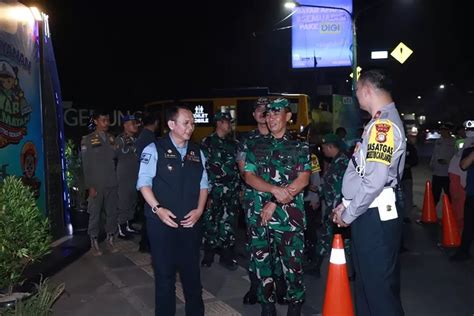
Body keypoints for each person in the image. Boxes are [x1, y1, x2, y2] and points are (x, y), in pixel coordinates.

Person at [332, 69, 406, 315]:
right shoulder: (379, 121)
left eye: (356, 91)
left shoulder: (382, 126)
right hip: (370, 212)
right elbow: (367, 174)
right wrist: (347, 203)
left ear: (366, 90)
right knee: (367, 289)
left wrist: (349, 213)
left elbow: (375, 183)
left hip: (374, 218)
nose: (356, 97)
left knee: (379, 293)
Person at [137, 105, 208, 316]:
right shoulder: (153, 149)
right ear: (171, 124)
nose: (191, 127)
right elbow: (143, 184)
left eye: (193, 123)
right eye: (186, 122)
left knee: (192, 276)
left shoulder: (198, 152)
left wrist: (199, 211)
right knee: (165, 276)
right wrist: (158, 209)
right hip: (161, 225)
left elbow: (204, 186)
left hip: (190, 223)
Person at [243, 98, 310, 316]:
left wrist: (274, 201)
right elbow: (249, 177)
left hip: (288, 218)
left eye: (276, 113)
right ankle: (267, 305)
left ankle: (295, 304)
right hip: (259, 217)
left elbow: (303, 180)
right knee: (263, 263)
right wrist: (274, 189)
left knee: (292, 265)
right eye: (268, 114)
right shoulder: (256, 146)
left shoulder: (299, 146)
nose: (271, 118)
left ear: (288, 117)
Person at [236, 97, 286, 306]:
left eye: (267, 110)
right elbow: (243, 169)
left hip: (281, 201)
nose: (263, 113)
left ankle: (280, 286)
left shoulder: (282, 138)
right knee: (257, 246)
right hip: (255, 200)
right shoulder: (247, 140)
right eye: (259, 110)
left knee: (279, 246)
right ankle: (257, 286)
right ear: (254, 114)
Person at [200, 111, 240, 270]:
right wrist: (205, 193)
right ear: (218, 123)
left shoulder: (234, 144)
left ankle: (227, 257)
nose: (229, 125)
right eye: (226, 122)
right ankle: (208, 256)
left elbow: (239, 168)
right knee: (210, 222)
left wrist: (240, 189)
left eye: (230, 122)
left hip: (231, 192)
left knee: (229, 223)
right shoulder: (207, 142)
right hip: (213, 191)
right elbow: (202, 169)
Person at [310, 133, 350, 278]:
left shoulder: (341, 162)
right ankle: (316, 266)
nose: (323, 151)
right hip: (334, 206)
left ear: (330, 147)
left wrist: (315, 189)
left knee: (341, 239)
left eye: (324, 148)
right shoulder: (338, 160)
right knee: (329, 237)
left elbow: (336, 187)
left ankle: (352, 270)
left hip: (337, 208)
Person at [81, 109, 119, 256]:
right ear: (96, 121)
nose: (106, 123)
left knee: (112, 213)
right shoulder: (87, 140)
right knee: (95, 214)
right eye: (103, 120)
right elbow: (86, 164)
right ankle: (94, 243)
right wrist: (89, 186)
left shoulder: (111, 138)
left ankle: (110, 240)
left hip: (112, 181)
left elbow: (115, 157)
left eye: (108, 120)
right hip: (96, 183)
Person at [135, 111, 159, 252]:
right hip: (147, 181)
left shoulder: (142, 135)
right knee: (150, 214)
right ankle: (146, 244)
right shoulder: (149, 138)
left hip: (142, 178)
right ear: (155, 122)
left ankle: (145, 244)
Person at [115, 114, 140, 239]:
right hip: (124, 176)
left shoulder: (136, 140)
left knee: (132, 201)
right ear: (125, 125)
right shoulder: (120, 140)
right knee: (123, 201)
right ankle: (121, 228)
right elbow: (113, 155)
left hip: (135, 175)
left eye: (135, 123)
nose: (135, 125)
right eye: (132, 123)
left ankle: (129, 225)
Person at [450, 137, 474, 262]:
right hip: (472, 195)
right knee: (469, 225)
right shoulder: (469, 151)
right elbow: (463, 165)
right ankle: (463, 252)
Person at [430, 123, 455, 207]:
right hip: (437, 172)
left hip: (448, 173)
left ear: (449, 131)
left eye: (445, 131)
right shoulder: (438, 141)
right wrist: (432, 164)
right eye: (442, 131)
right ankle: (431, 214)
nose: (443, 132)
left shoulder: (454, 142)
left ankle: (451, 215)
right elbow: (434, 154)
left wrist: (448, 162)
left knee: (449, 195)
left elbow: (456, 156)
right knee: (434, 195)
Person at [401, 134, 418, 223]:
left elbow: (415, 160)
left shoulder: (410, 147)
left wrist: (408, 164)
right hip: (395, 177)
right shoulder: (395, 146)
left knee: (407, 196)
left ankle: (407, 216)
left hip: (407, 175)